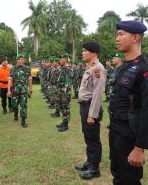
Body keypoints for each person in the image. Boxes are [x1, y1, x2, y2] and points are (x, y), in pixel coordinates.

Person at [109, 20, 148, 185]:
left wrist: (139, 148)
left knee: (129, 180)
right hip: (117, 130)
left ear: (135, 37)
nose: (117, 38)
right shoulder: (123, 67)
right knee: (118, 176)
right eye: (117, 34)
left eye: (121, 34)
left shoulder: (143, 69)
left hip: (130, 135)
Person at [75, 41, 106, 180]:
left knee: (93, 138)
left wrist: (92, 115)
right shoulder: (90, 67)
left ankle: (95, 169)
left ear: (93, 53)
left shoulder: (98, 68)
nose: (82, 53)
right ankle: (89, 162)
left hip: (90, 107)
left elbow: (98, 94)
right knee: (88, 136)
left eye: (85, 51)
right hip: (84, 106)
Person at [7, 53, 33, 128]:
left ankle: (23, 120)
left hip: (24, 89)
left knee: (23, 105)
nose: (21, 60)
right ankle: (15, 112)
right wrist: (9, 91)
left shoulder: (27, 68)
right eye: (20, 59)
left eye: (22, 59)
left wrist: (30, 90)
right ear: (17, 60)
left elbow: (30, 80)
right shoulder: (13, 69)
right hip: (15, 89)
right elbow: (10, 80)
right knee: (14, 105)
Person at [56, 55, 73, 132]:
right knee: (62, 108)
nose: (60, 60)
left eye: (61, 59)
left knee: (66, 108)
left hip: (65, 93)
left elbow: (68, 83)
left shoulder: (68, 69)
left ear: (65, 60)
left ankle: (66, 125)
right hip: (60, 92)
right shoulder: (62, 69)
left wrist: (66, 95)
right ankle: (63, 121)